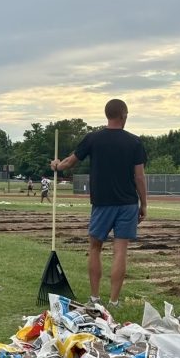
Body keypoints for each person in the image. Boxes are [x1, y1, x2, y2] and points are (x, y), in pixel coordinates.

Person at [51, 99, 147, 308]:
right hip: (128, 203)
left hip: (102, 203)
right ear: (124, 115)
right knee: (120, 250)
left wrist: (57, 166)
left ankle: (95, 298)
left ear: (107, 115)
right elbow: (139, 177)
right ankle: (114, 301)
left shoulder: (93, 139)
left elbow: (70, 162)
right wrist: (144, 204)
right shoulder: (134, 142)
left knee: (95, 248)